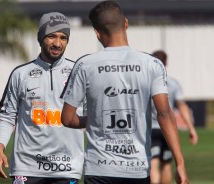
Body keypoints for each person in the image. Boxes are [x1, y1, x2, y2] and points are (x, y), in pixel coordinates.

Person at [61, 1, 188, 184]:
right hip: (136, 170)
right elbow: (164, 113)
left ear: (97, 33)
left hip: (98, 168)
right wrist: (180, 163)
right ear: (126, 24)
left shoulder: (84, 65)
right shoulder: (151, 64)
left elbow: (67, 118)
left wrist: (94, 119)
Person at [0, 12, 85, 184]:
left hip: (67, 166)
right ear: (41, 37)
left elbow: (92, 116)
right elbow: (7, 116)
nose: (58, 43)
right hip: (27, 166)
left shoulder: (79, 72)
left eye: (63, 38)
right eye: (51, 36)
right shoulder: (20, 74)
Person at [150, 50, 198, 184]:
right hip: (168, 129)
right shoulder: (172, 83)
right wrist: (191, 128)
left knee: (153, 163)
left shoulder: (146, 82)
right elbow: (182, 106)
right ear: (166, 63)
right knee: (166, 164)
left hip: (150, 129)